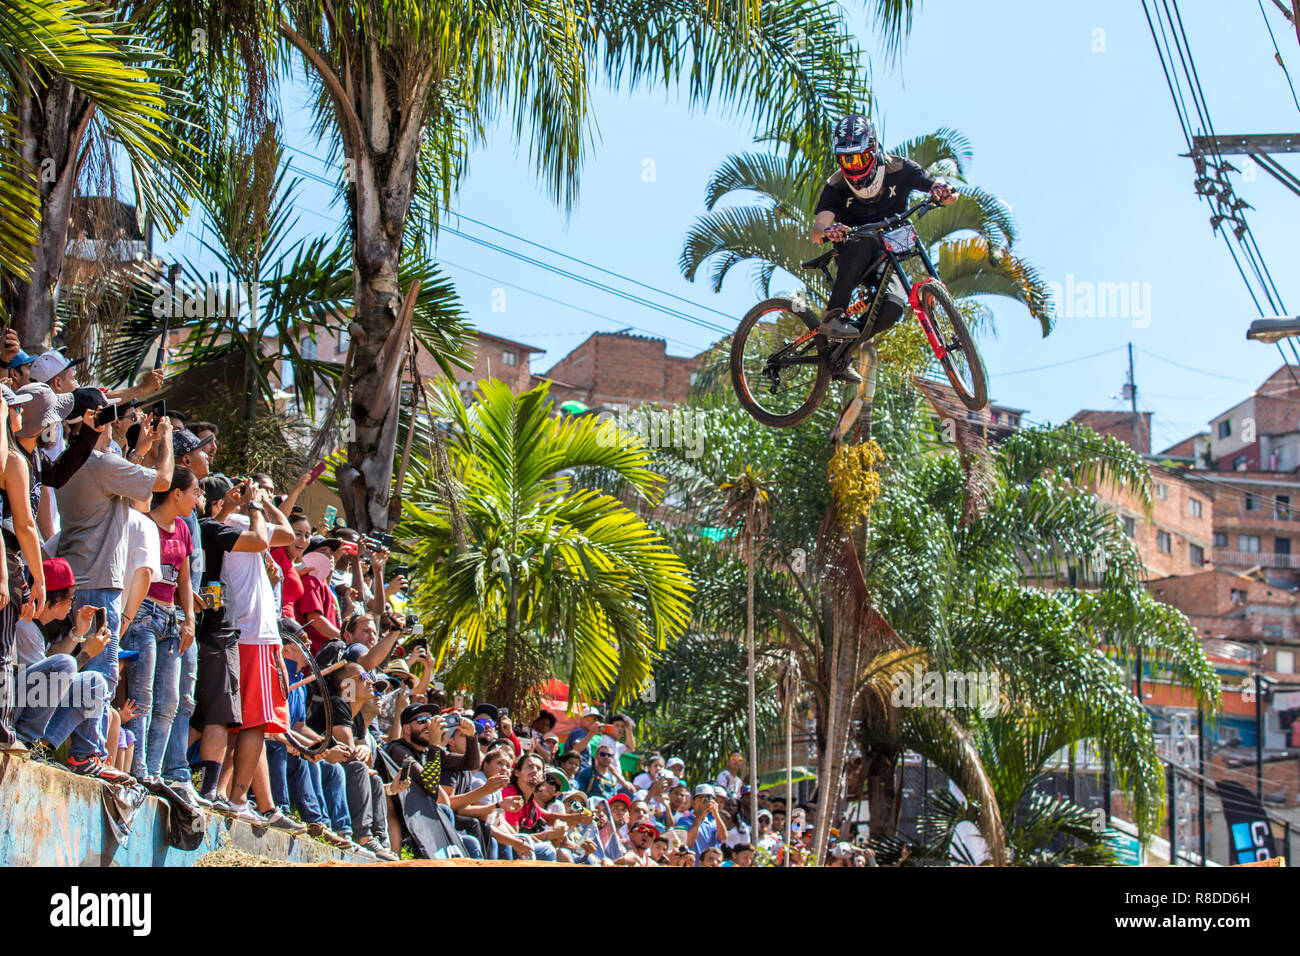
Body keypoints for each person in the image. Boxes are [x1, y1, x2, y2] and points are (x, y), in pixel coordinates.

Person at [54, 392, 172, 776]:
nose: (125, 420)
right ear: (101, 421)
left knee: (85, 669)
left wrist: (138, 451)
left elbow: (119, 488)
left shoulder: (74, 462)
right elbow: (165, 480)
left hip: (81, 576)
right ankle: (84, 752)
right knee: (101, 676)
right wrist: (166, 439)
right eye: (118, 414)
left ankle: (80, 750)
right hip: (99, 582)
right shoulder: (102, 464)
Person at [811, 113, 958, 383]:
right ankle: (834, 315)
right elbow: (818, 229)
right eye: (847, 160)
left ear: (874, 149)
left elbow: (936, 184)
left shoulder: (899, 169)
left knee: (891, 312)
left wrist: (944, 191)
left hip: (891, 255)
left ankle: (841, 355)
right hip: (856, 256)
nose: (854, 167)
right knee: (867, 239)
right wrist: (828, 231)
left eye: (860, 158)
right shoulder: (837, 185)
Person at [118, 465, 198, 783]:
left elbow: (184, 578)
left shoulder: (184, 529)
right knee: (143, 694)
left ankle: (153, 770)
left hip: (171, 618)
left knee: (170, 700)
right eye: (195, 491)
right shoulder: (145, 523)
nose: (198, 498)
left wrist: (189, 618)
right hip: (142, 613)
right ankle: (138, 768)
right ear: (176, 493)